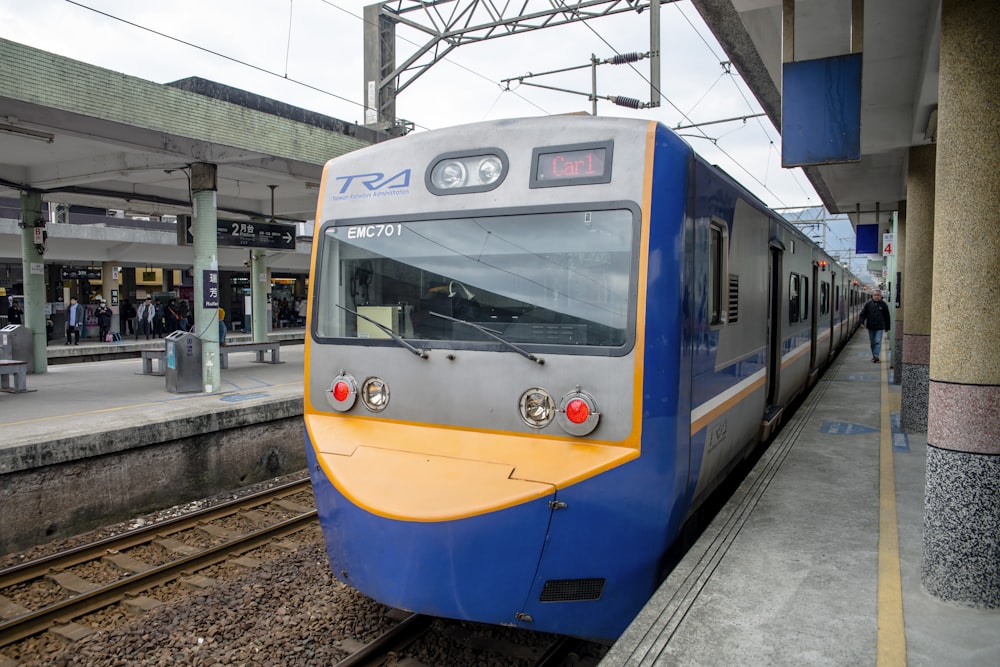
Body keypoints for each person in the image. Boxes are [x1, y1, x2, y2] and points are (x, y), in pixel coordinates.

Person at [859, 289, 891, 363]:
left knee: (877, 341)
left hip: (880, 326)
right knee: (872, 342)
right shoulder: (868, 304)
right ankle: (874, 356)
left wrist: (887, 327)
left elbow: (887, 316)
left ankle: (876, 355)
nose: (877, 297)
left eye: (878, 295)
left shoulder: (884, 305)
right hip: (871, 326)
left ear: (881, 296)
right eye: (875, 295)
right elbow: (863, 314)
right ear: (872, 296)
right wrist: (861, 322)